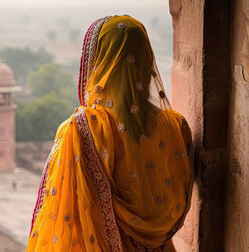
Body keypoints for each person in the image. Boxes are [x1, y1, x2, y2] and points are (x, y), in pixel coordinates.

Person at [26, 15, 193, 252]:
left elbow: (66, 221)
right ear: (146, 60)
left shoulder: (83, 129)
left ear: (100, 63)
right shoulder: (176, 127)